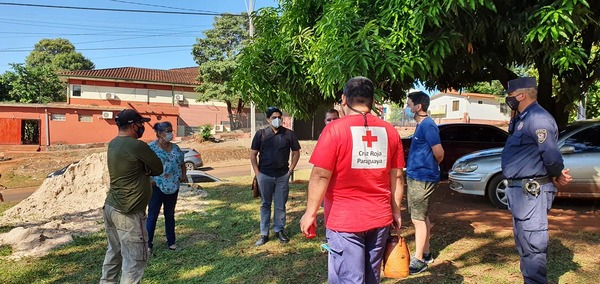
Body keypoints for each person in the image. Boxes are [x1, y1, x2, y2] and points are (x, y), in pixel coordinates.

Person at [300, 76, 405, 283]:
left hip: (344, 220)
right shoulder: (390, 131)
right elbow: (398, 176)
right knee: (370, 276)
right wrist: (395, 210)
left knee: (349, 278)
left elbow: (321, 174)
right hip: (380, 217)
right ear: (373, 102)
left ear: (343, 99)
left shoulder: (334, 129)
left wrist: (310, 213)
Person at [501, 77, 572, 283]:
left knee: (533, 244)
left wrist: (557, 174)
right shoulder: (522, 118)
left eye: (511, 96)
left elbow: (550, 154)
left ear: (521, 95)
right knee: (523, 243)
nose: (509, 100)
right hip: (519, 193)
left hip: (532, 192)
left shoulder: (538, 118)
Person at [100, 109, 163, 284]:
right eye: (141, 124)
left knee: (114, 253)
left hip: (111, 207)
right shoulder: (137, 145)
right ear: (133, 125)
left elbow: (132, 169)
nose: (143, 127)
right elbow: (158, 168)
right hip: (128, 211)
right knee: (134, 262)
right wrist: (146, 171)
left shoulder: (113, 143)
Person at [404, 91, 444, 274]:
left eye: (409, 104)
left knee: (417, 219)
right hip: (415, 177)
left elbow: (439, 152)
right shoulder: (421, 125)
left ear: (418, 107)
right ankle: (426, 253)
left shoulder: (428, 125)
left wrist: (430, 168)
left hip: (423, 179)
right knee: (421, 215)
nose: (407, 108)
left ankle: (419, 259)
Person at [250, 106, 301, 246]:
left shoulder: (289, 134)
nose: (277, 120)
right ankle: (264, 234)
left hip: (282, 176)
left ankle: (279, 230)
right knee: (265, 204)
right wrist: (257, 173)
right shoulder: (261, 134)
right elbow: (253, 154)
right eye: (274, 118)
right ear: (268, 119)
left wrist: (290, 171)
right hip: (264, 175)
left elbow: (296, 152)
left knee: (280, 205)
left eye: (279, 117)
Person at [146, 122, 186, 255]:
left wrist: (183, 176)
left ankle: (171, 243)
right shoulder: (150, 148)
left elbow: (182, 163)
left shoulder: (176, 149)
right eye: (167, 131)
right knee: (153, 215)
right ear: (159, 133)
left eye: (171, 131)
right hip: (156, 186)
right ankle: (148, 245)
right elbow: (142, 167)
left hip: (173, 186)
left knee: (170, 215)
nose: (170, 134)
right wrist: (149, 180)